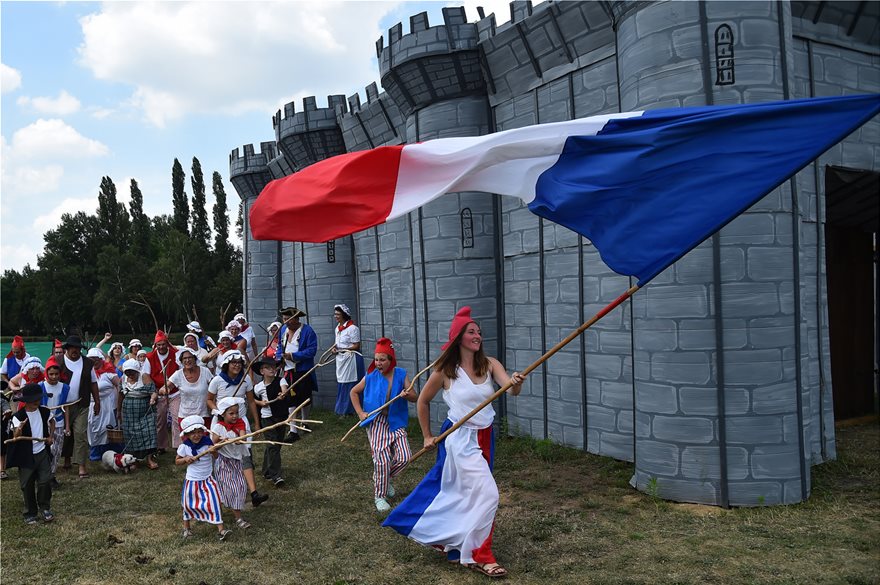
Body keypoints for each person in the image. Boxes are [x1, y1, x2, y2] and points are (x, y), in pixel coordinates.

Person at [383, 307, 525, 579]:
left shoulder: (491, 364)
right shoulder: (445, 371)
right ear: (459, 337)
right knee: (489, 494)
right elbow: (422, 401)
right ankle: (481, 556)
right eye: (471, 332)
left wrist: (516, 382)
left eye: (479, 332)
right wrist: (426, 435)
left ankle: (456, 546)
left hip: (485, 436)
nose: (477, 336)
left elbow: (511, 389)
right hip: (459, 439)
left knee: (468, 494)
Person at [350, 338, 416, 512]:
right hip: (377, 422)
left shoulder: (401, 374)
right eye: (376, 359)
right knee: (382, 460)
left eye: (382, 360)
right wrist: (360, 413)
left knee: (404, 457)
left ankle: (383, 478)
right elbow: (354, 392)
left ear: (391, 360)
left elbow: (415, 397)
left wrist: (406, 395)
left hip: (395, 422)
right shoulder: (370, 377)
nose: (378, 363)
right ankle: (380, 495)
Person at [206, 351, 268, 507]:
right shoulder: (217, 380)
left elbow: (252, 402)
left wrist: (257, 423)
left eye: (239, 363)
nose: (237, 365)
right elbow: (209, 400)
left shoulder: (246, 379)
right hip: (221, 423)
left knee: (245, 454)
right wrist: (217, 411)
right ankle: (221, 490)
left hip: (240, 423)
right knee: (219, 454)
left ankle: (254, 493)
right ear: (227, 364)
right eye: (233, 362)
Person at [176, 415, 231, 541]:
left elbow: (216, 457)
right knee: (187, 505)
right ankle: (187, 528)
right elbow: (177, 461)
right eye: (193, 433)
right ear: (187, 434)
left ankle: (221, 530)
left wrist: (214, 451)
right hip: (192, 481)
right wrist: (185, 459)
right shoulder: (185, 446)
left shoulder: (207, 443)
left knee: (214, 501)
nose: (197, 435)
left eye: (199, 432)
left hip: (207, 479)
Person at [6, 383, 55, 524]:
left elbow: (52, 422)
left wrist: (50, 436)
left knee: (45, 480)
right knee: (27, 484)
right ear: (25, 401)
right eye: (33, 399)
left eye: (38, 399)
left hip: (42, 452)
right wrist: (19, 429)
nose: (36, 402)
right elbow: (15, 436)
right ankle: (30, 512)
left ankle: (45, 508)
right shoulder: (18, 416)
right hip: (26, 455)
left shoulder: (45, 412)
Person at [58, 335, 100, 480]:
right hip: (63, 406)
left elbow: (93, 383)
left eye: (77, 348)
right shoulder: (58, 362)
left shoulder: (88, 363)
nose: (75, 350)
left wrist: (97, 402)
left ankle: (81, 465)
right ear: (67, 349)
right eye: (72, 348)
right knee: (65, 434)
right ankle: (67, 459)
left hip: (82, 403)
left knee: (80, 433)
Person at [274, 307, 318, 442]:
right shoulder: (283, 330)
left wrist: (293, 355)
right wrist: (279, 359)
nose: (285, 322)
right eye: (284, 319)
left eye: (288, 319)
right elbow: (279, 348)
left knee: (305, 397)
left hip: (303, 370)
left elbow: (312, 351)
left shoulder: (307, 331)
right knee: (290, 399)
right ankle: (293, 431)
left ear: (296, 319)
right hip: (288, 371)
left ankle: (305, 422)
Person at [210, 396, 252, 530]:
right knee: (230, 487)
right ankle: (238, 517)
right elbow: (214, 444)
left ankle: (232, 506)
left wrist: (240, 439)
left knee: (241, 487)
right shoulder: (218, 427)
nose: (235, 416)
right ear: (223, 414)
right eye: (231, 413)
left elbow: (242, 436)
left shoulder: (240, 424)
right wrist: (223, 442)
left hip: (237, 462)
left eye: (236, 413)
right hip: (223, 462)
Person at [251, 356, 289, 487]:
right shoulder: (258, 387)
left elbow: (284, 389)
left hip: (281, 416)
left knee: (276, 445)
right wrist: (260, 402)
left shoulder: (281, 380)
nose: (272, 369)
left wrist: (282, 394)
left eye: (273, 367)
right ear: (262, 371)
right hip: (267, 418)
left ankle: (266, 470)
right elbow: (252, 400)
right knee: (272, 444)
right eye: (268, 367)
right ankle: (276, 475)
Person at [166, 347, 212, 448]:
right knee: (189, 446)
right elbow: (166, 387)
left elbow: (214, 387)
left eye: (190, 357)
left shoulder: (205, 371)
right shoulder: (178, 375)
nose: (187, 360)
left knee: (204, 444)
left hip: (203, 413)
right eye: (184, 359)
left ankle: (205, 462)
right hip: (185, 415)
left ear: (195, 358)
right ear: (181, 361)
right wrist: (165, 390)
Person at [141, 330, 178, 454]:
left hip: (175, 392)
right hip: (159, 392)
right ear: (155, 345)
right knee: (159, 420)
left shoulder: (176, 354)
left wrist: (171, 385)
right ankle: (161, 446)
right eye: (158, 345)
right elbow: (145, 375)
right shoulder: (150, 357)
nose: (161, 347)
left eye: (163, 344)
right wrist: (154, 391)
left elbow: (181, 372)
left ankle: (179, 446)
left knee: (177, 418)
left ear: (167, 344)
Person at [119, 359, 159, 469]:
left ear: (137, 370)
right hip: (129, 412)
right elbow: (121, 395)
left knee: (149, 432)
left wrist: (152, 399)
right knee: (131, 434)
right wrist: (118, 411)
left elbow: (154, 391)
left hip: (145, 410)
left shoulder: (144, 377)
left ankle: (150, 459)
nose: (129, 374)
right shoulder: (123, 379)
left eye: (132, 372)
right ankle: (134, 460)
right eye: (127, 372)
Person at [86, 348, 122, 461]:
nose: (94, 362)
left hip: (108, 405)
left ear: (101, 360)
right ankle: (95, 452)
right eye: (91, 360)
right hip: (92, 405)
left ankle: (111, 451)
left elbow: (119, 385)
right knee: (93, 427)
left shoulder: (109, 373)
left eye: (96, 360)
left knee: (108, 427)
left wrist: (118, 403)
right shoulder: (87, 373)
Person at [39, 357, 69, 486]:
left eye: (56, 374)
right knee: (45, 450)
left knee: (56, 450)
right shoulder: (40, 386)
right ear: (46, 373)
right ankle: (42, 475)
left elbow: (66, 406)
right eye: (51, 374)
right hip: (44, 422)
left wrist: (67, 426)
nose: (54, 376)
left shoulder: (65, 387)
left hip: (59, 421)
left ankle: (51, 475)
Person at [332, 303, 364, 416]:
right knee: (342, 382)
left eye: (338, 314)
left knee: (350, 383)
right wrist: (335, 348)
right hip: (341, 359)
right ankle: (342, 409)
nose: (336, 316)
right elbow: (338, 343)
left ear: (344, 315)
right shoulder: (337, 329)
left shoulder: (353, 329)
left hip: (351, 360)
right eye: (335, 314)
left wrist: (342, 349)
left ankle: (350, 410)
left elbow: (356, 345)